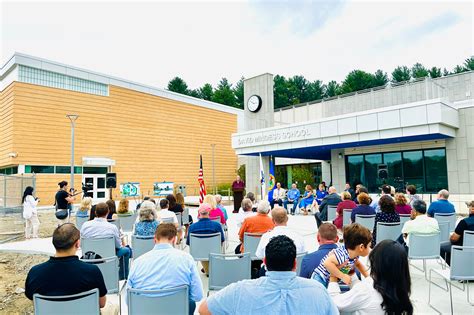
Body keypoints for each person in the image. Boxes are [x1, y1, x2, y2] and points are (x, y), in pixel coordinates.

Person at [198, 235, 338, 315]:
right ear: (295, 264)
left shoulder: (240, 290)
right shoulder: (318, 291)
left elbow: (203, 309)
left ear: (265, 262)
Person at [25, 223, 118, 314]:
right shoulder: (92, 271)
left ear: (54, 243)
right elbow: (102, 303)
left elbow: (35, 303)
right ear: (77, 244)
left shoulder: (35, 272)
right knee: (114, 306)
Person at [127, 223, 203, 315]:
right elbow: (197, 295)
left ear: (154, 240)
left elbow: (128, 300)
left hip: (146, 311)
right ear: (174, 239)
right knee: (190, 303)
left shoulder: (137, 263)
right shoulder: (186, 259)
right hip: (177, 310)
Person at [329, 240, 413, 315]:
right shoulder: (400, 288)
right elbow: (361, 295)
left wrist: (333, 277)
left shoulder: (366, 290)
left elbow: (333, 303)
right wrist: (352, 273)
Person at [80, 202, 132, 280]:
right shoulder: (112, 227)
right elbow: (118, 246)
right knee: (126, 251)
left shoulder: (85, 225)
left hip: (90, 255)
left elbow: (82, 244)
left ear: (95, 212)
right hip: (109, 256)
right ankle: (122, 277)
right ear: (108, 212)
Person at [312, 223, 371, 288]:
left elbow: (358, 264)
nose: (370, 249)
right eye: (369, 246)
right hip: (320, 278)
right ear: (361, 247)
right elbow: (327, 263)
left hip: (328, 280)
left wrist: (368, 278)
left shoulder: (354, 255)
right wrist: (342, 276)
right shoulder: (342, 255)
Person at [187, 203, 224, 276]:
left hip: (198, 253)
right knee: (211, 248)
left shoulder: (192, 227)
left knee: (202, 248)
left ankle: (207, 269)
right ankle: (209, 268)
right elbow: (222, 241)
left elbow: (189, 243)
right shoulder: (217, 225)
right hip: (214, 252)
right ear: (209, 212)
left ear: (199, 213)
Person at [440, 201, 474, 265]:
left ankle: (453, 266)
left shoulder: (464, 222)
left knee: (441, 247)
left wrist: (451, 237)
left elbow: (454, 239)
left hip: (463, 248)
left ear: (472, 209)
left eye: (469, 207)